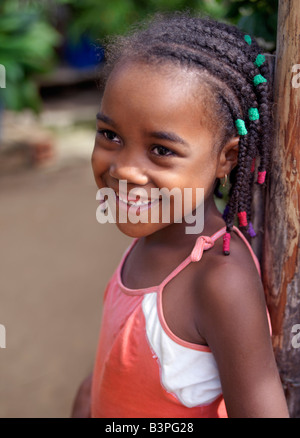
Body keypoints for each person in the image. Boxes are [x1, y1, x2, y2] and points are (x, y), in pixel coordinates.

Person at [71, 12, 289, 418]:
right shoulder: (150, 238)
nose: (125, 169)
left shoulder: (219, 280)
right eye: (110, 136)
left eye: (162, 150)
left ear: (227, 158)